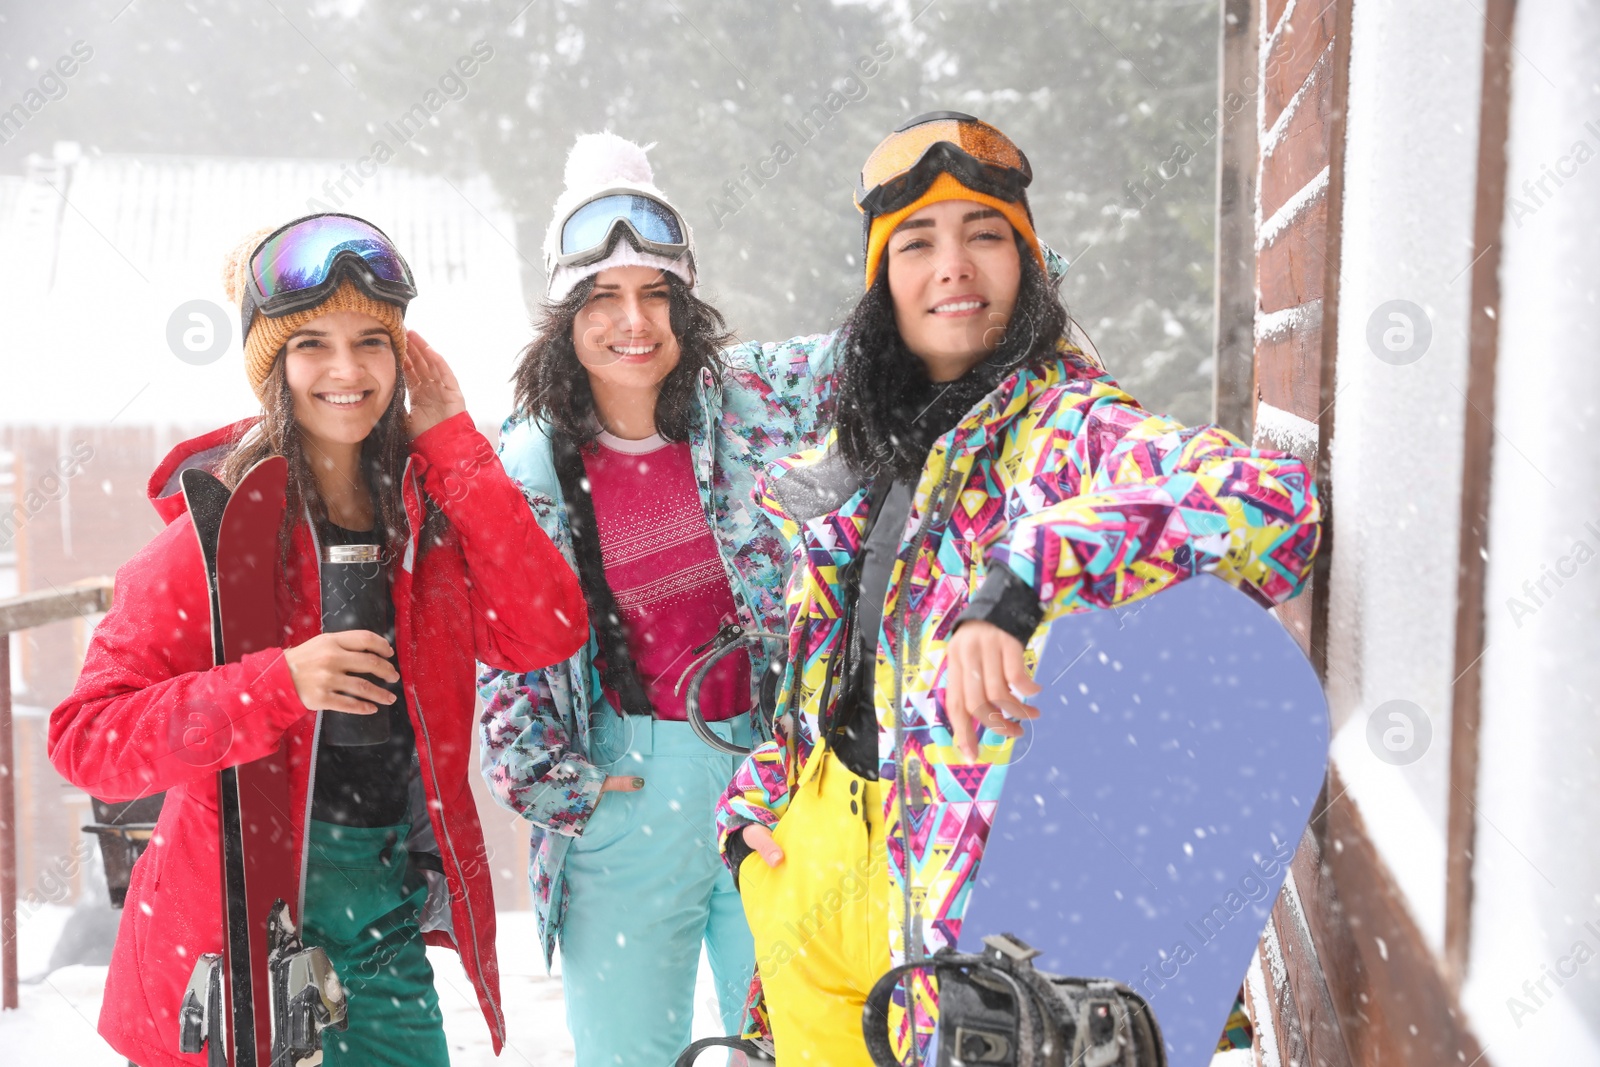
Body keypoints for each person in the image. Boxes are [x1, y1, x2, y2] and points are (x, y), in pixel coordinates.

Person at [714, 111, 1324, 1065]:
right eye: (917, 242)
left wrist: (1025, 577)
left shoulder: (1069, 428)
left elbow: (1268, 503)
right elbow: (815, 684)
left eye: (985, 235)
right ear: (884, 281)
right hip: (812, 876)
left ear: (1028, 261)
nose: (953, 265)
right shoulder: (856, 456)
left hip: (970, 894)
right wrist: (754, 828)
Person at [48, 213, 587, 1067]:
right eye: (312, 345)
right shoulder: (215, 539)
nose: (346, 369)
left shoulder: (426, 526)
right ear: (274, 368)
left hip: (380, 921)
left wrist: (455, 445)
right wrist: (275, 684)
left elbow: (547, 629)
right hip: (232, 939)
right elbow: (85, 740)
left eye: (373, 340)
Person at [475, 134, 838, 1065]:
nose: (633, 322)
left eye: (655, 295)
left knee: (801, 1042)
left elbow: (892, 345)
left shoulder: (751, 398)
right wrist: (561, 787)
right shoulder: (532, 467)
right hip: (629, 786)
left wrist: (986, 259)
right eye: (602, 298)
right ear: (564, 316)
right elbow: (503, 645)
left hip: (771, 776)